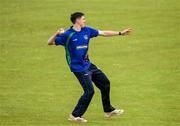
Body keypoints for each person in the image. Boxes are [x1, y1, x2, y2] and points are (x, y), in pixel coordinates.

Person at [48, 12, 132, 123]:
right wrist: (57, 33)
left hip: (88, 64)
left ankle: (108, 110)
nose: (85, 21)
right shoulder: (67, 35)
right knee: (89, 91)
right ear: (77, 20)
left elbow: (103, 33)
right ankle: (74, 115)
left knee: (105, 83)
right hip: (78, 68)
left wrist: (120, 33)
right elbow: (50, 42)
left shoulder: (87, 30)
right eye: (83, 19)